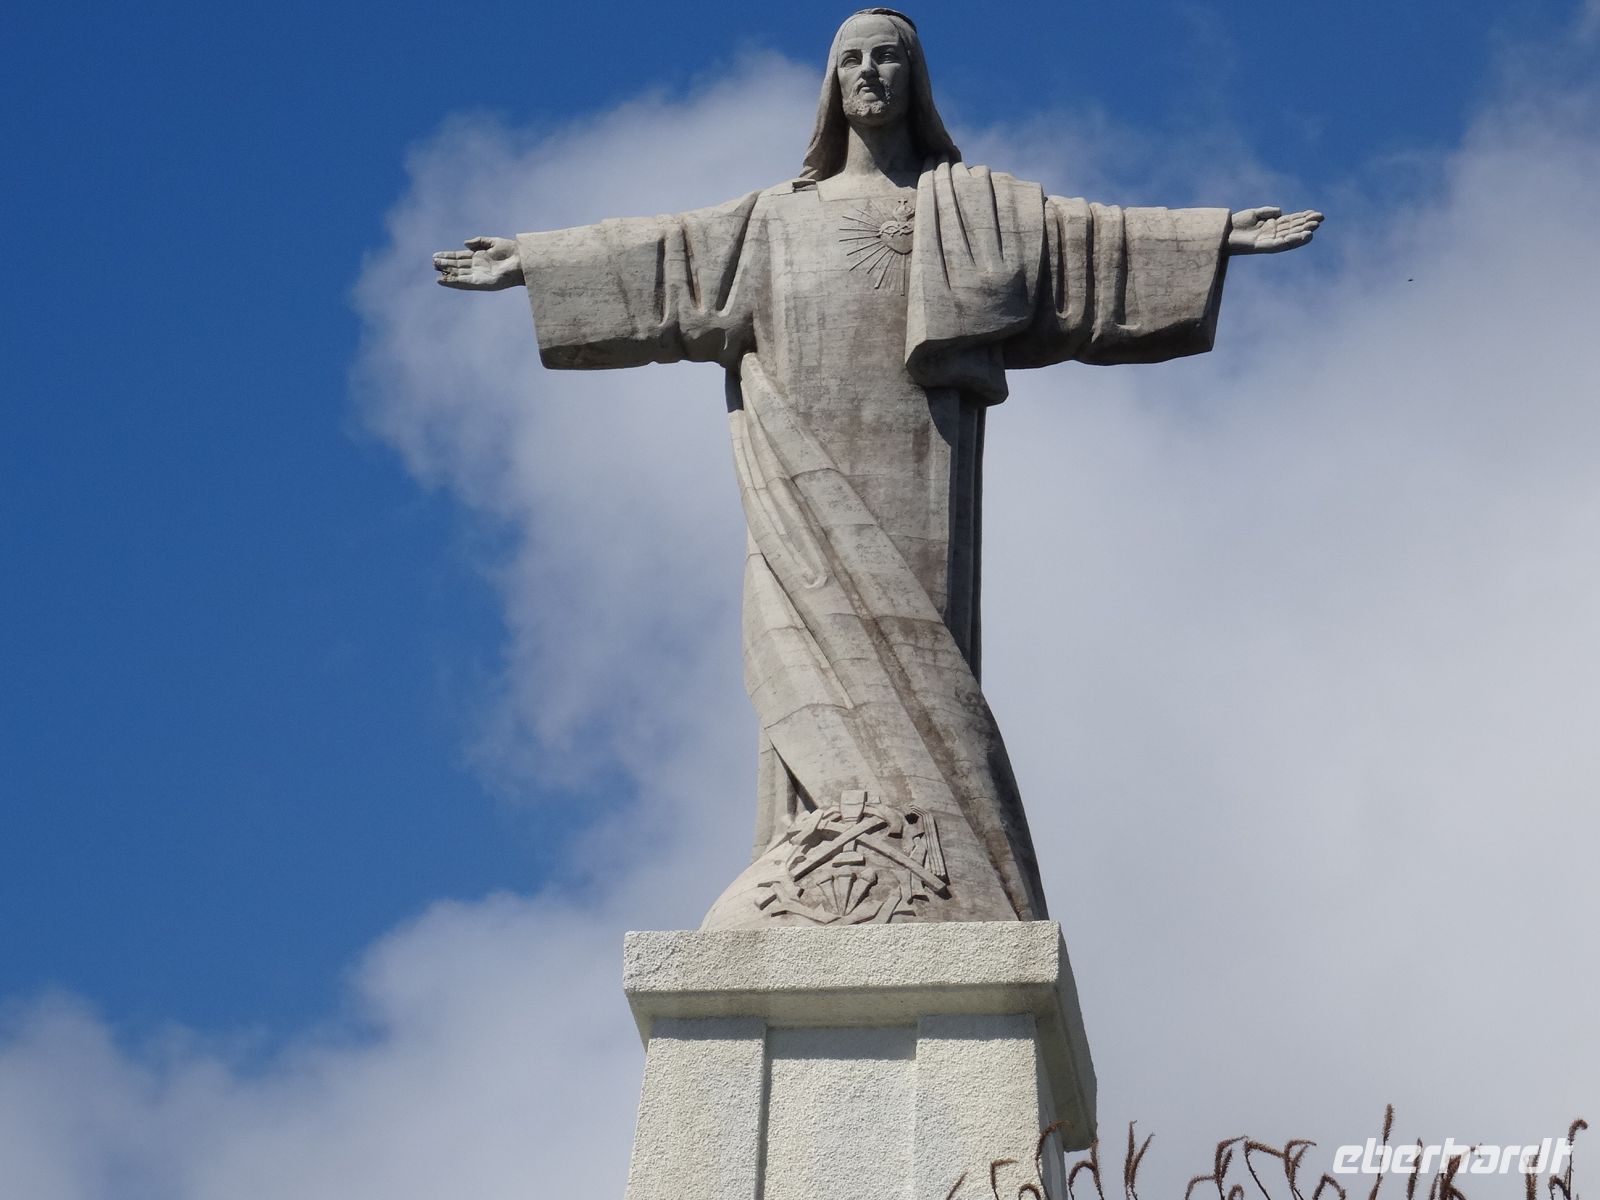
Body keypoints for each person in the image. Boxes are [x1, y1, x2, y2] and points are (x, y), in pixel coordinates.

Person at [433, 9, 1321, 929]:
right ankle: (820, 850)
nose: (868, 73)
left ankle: (935, 857)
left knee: (921, 642)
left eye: (886, 58)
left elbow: (1083, 246)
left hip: (918, 468)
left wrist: (1212, 238)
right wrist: (535, 263)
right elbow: (664, 260)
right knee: (804, 644)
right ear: (830, 85)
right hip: (798, 475)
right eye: (850, 59)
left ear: (914, 81)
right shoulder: (775, 220)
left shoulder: (967, 213)